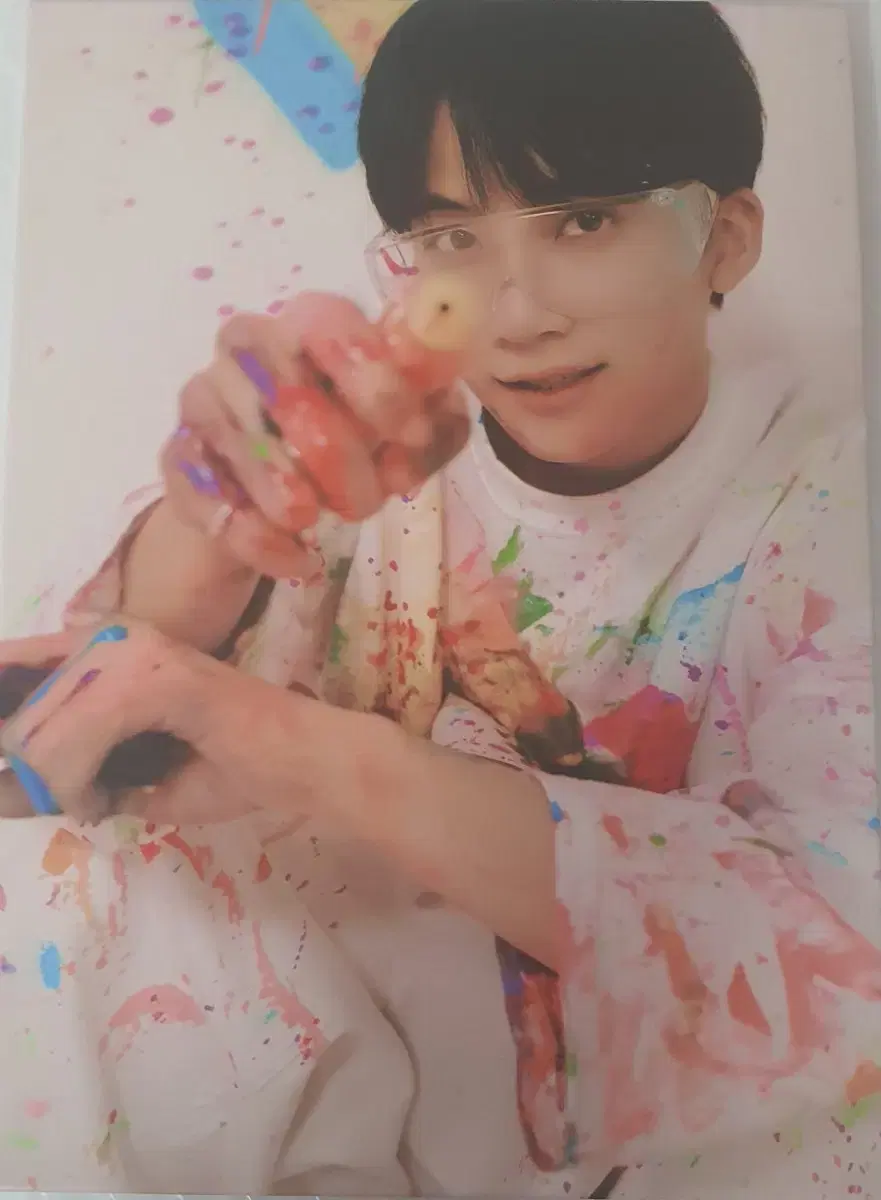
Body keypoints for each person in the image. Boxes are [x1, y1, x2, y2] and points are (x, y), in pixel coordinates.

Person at [1, 1, 879, 1196]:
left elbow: (828, 948)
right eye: (453, 236)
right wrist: (210, 524)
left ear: (722, 239)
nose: (519, 313)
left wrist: (314, 754)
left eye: (583, 219)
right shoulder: (371, 431)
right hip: (332, 1098)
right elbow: (92, 718)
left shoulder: (827, 502)